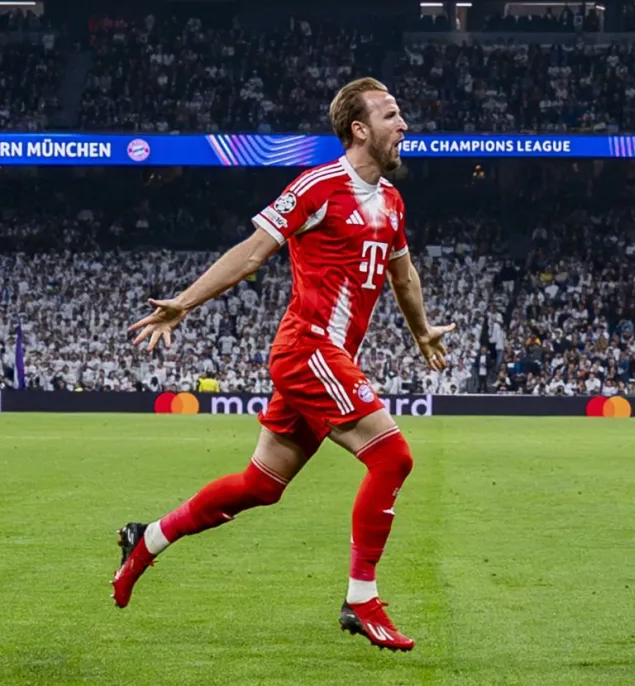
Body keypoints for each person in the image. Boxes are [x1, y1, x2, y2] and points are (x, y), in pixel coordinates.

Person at [116, 77, 455, 652]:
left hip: (328, 357)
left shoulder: (392, 202)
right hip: (308, 349)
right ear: (359, 128)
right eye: (392, 115)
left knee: (261, 485)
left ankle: (146, 539)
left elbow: (403, 274)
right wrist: (185, 303)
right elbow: (252, 253)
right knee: (393, 457)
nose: (404, 125)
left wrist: (421, 330)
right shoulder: (318, 186)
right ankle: (361, 600)